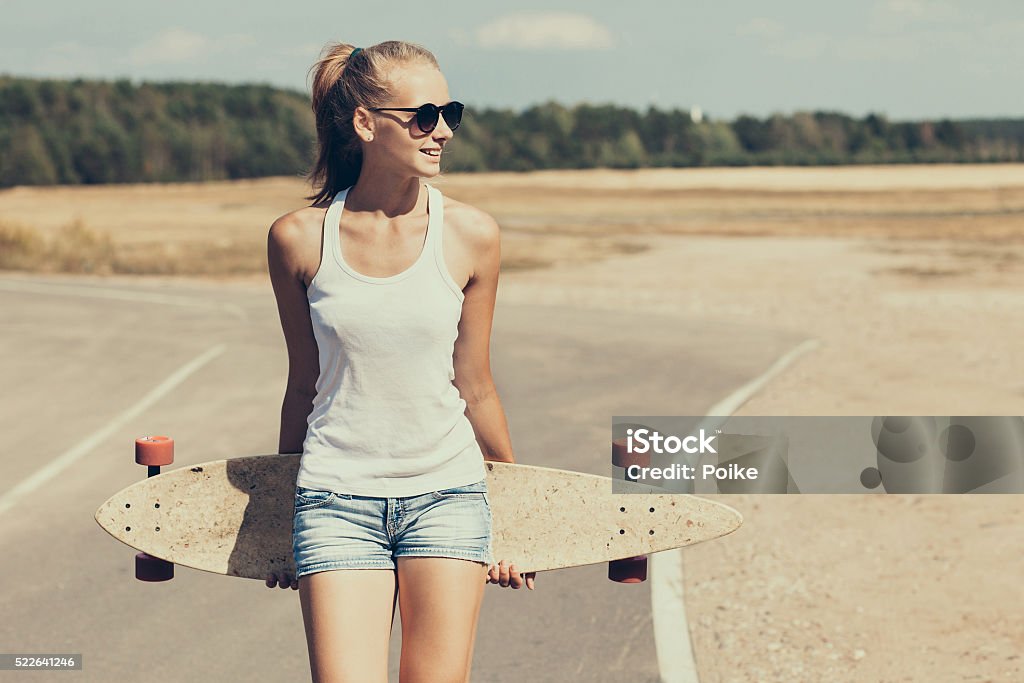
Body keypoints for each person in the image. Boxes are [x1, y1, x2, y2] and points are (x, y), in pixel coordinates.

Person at [263, 40, 534, 682]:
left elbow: (476, 385)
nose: (441, 130)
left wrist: (520, 517)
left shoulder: (473, 235)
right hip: (335, 500)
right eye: (423, 115)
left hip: (447, 495)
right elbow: (304, 386)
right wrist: (279, 511)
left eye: (450, 113)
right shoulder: (297, 240)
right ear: (365, 123)